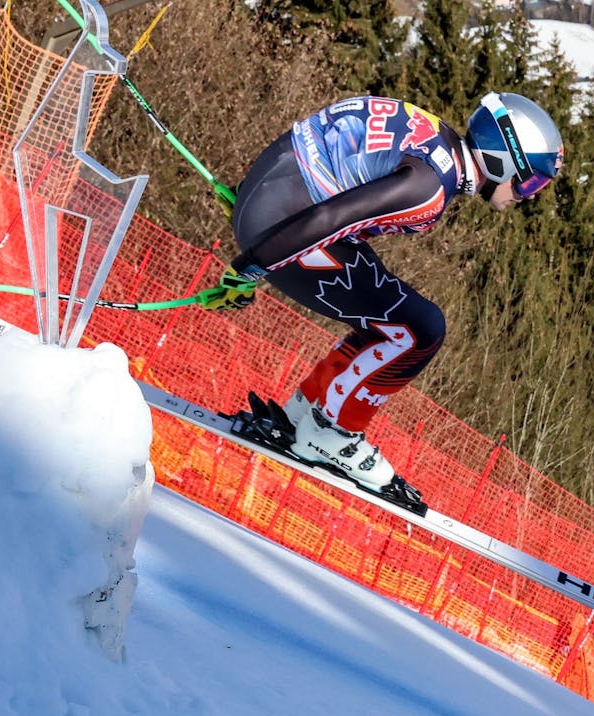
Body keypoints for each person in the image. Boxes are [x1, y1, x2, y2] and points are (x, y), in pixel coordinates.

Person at [214, 92, 564, 498]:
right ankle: (332, 433)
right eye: (532, 181)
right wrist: (249, 267)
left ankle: (304, 416)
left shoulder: (437, 138)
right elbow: (332, 217)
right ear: (501, 160)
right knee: (420, 329)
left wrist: (253, 200)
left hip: (275, 200)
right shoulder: (427, 189)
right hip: (285, 223)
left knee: (388, 317)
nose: (531, 195)